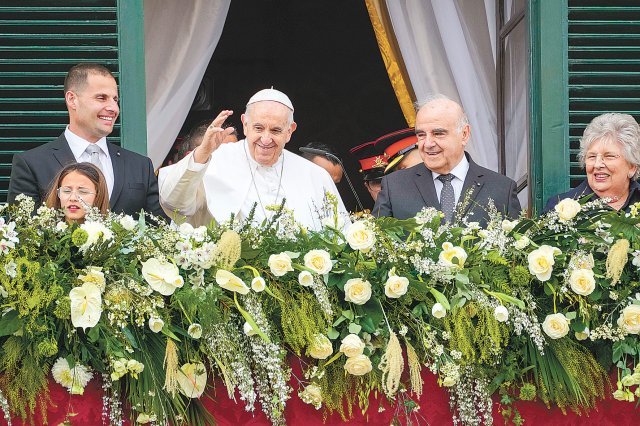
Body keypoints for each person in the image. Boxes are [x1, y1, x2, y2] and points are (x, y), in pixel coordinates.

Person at [158, 88, 349, 229]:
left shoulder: (314, 175)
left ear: (290, 131)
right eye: (258, 128)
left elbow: (340, 235)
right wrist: (202, 153)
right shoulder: (214, 161)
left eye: (276, 130)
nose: (266, 139)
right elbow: (174, 204)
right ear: (245, 124)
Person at [7, 63, 167, 220]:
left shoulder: (140, 165)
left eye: (115, 99)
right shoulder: (31, 164)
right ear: (72, 99)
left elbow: (158, 230)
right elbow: (23, 233)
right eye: (101, 98)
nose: (113, 108)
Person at [373, 94, 521, 225]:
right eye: (421, 135)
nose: (428, 144)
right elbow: (377, 248)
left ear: (464, 134)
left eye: (438, 133)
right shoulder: (394, 186)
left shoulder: (502, 189)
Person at [544, 113, 640, 212]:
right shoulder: (558, 207)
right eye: (592, 156)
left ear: (632, 166)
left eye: (609, 156)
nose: (597, 164)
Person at [44, 162, 109, 223]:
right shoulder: (40, 233)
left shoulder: (111, 234)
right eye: (67, 191)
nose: (73, 198)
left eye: (82, 192)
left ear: (98, 195)